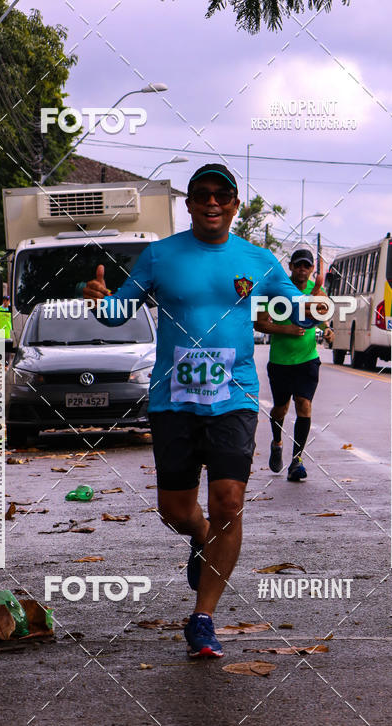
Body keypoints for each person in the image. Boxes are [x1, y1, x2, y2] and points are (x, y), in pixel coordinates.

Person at [83, 163, 315, 658]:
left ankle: (203, 618)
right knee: (175, 510)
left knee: (229, 501)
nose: (213, 202)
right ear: (188, 203)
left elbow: (297, 310)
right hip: (174, 399)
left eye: (222, 195)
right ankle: (200, 535)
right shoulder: (160, 256)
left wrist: (312, 309)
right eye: (202, 194)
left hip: (235, 397)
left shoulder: (259, 260)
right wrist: (98, 302)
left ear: (235, 204)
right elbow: (119, 311)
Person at [260, 248, 333, 482]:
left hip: (307, 360)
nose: (302, 269)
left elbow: (321, 320)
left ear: (312, 269)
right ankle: (277, 442)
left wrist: (328, 330)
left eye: (307, 266)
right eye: (298, 265)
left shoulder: (317, 292)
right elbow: (259, 324)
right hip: (280, 361)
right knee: (280, 409)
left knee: (304, 405)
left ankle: (297, 460)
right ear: (290, 266)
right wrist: (286, 329)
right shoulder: (276, 291)